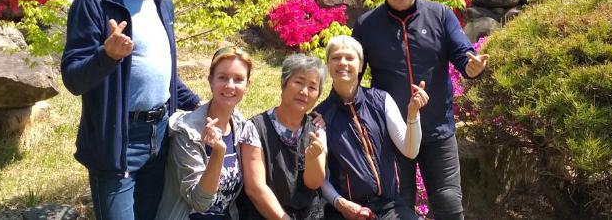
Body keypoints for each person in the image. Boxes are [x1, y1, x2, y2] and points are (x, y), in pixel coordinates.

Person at [61, 0, 201, 220]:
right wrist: (107, 55)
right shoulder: (96, 2)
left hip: (161, 133)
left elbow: (162, 73)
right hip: (118, 138)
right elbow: (73, 79)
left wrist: (199, 104)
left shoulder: (162, 1)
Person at [352, 0, 488, 220]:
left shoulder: (440, 14)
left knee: (449, 204)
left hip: (437, 129)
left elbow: (463, 54)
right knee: (400, 208)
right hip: (393, 132)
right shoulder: (367, 25)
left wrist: (471, 67)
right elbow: (353, 76)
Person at [315, 35, 429, 220]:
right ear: (328, 65)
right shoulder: (320, 116)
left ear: (360, 66)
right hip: (346, 211)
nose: (342, 62)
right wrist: (341, 204)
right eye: (336, 58)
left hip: (389, 206)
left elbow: (410, 150)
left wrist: (413, 114)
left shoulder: (381, 100)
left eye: (350, 58)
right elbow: (320, 176)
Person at [156, 46, 253, 219]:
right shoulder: (186, 131)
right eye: (222, 77)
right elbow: (199, 202)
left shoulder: (240, 124)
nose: (230, 86)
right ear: (210, 80)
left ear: (247, 85)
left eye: (238, 79)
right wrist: (218, 152)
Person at [238, 54, 328, 220]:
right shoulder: (256, 128)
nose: (304, 91)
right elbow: (255, 188)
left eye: (312, 87)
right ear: (283, 83)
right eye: (298, 82)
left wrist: (313, 158)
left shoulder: (317, 129)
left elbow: (314, 183)